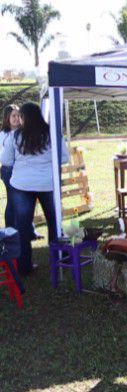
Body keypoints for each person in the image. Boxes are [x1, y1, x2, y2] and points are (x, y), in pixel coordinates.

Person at [0, 102, 69, 276]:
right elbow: (63, 158)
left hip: (22, 185)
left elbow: (6, 161)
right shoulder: (52, 133)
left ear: (24, 118)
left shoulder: (15, 136)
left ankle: (25, 266)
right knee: (54, 222)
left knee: (23, 227)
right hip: (47, 184)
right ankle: (59, 258)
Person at [1, 104, 20, 227]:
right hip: (8, 171)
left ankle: (23, 228)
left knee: (21, 201)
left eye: (18, 115)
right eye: (13, 115)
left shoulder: (22, 132)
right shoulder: (3, 133)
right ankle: (10, 230)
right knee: (13, 201)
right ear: (7, 117)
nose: (16, 118)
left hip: (20, 171)